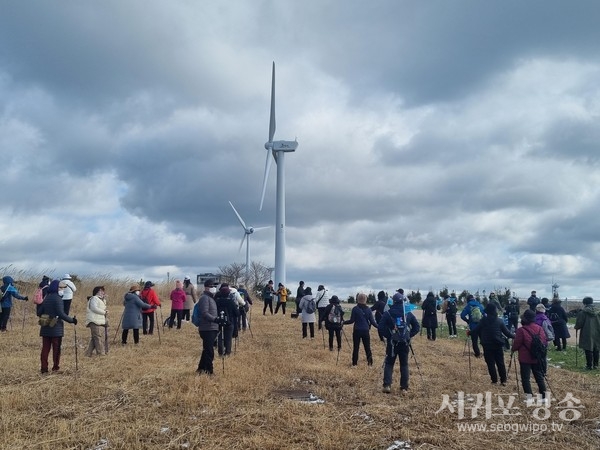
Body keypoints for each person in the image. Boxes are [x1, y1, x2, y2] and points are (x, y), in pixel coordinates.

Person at [379, 292, 420, 393]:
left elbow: (380, 327)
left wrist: (388, 336)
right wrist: (409, 335)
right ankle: (404, 388)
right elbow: (417, 327)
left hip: (392, 343)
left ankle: (387, 385)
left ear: (394, 301)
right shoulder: (408, 313)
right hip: (405, 343)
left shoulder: (388, 312)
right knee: (404, 365)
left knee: (389, 363)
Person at [37, 280, 77, 373]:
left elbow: (39, 312)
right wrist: (72, 320)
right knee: (56, 348)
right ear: (56, 288)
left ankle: (44, 368)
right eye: (61, 288)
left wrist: (47, 315)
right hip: (56, 327)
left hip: (45, 325)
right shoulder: (58, 299)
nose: (62, 290)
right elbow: (61, 314)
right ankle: (55, 367)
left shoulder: (47, 297)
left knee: (45, 348)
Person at [472, 304, 515, 385]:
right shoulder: (499, 321)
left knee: (490, 363)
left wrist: (469, 333)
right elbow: (507, 333)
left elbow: (475, 330)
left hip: (487, 345)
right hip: (498, 344)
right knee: (500, 363)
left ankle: (494, 381)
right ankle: (503, 380)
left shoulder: (483, 321)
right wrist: (515, 336)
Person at [512, 310, 547, 402]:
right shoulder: (540, 328)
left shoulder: (521, 330)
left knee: (525, 378)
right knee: (539, 377)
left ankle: (529, 398)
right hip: (537, 357)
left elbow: (517, 344)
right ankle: (544, 397)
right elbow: (543, 341)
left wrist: (513, 349)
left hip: (525, 358)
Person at [344, 293, 378, 367]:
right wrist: (380, 327)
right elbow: (372, 322)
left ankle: (354, 364)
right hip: (365, 330)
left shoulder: (355, 309)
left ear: (357, 299)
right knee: (367, 347)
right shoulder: (368, 310)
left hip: (357, 330)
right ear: (365, 300)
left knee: (356, 347)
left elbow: (351, 320)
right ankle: (370, 364)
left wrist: (343, 322)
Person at [196, 279, 219, 375]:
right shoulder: (205, 298)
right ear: (206, 287)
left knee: (206, 349)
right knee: (209, 351)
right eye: (212, 286)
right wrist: (215, 319)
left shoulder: (211, 297)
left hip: (212, 327)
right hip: (207, 328)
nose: (214, 288)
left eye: (214, 286)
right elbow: (204, 313)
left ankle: (201, 368)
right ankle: (209, 370)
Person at [574, 296, 600, 370]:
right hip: (598, 331)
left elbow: (579, 323)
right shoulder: (598, 311)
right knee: (596, 348)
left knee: (588, 348)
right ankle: (596, 365)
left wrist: (576, 327)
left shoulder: (583, 312)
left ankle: (589, 365)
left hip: (587, 332)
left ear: (584, 303)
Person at [214, 284, 239, 356]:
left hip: (219, 321)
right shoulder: (231, 302)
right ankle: (227, 352)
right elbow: (237, 313)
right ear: (228, 293)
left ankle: (220, 352)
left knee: (220, 337)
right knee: (228, 338)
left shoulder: (217, 301)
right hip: (229, 322)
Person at [85, 286, 108, 357]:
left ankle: (88, 353)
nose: (102, 292)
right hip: (94, 320)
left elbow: (102, 306)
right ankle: (101, 353)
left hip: (98, 320)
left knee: (94, 337)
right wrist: (104, 312)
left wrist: (103, 299)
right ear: (96, 292)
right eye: (100, 291)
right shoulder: (94, 298)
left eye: (103, 291)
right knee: (98, 337)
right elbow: (94, 308)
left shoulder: (101, 300)